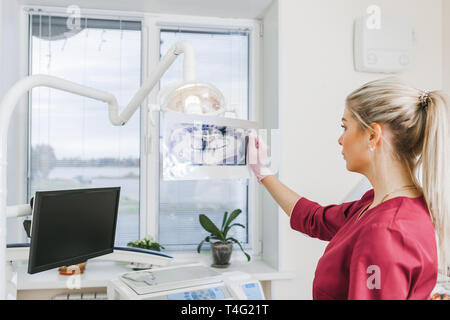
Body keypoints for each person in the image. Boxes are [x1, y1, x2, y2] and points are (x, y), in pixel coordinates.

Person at [248, 77, 449, 300]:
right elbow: (315, 218)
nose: (340, 139)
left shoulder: (385, 231)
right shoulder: (378, 204)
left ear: (373, 135)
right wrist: (262, 172)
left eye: (345, 127)